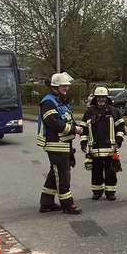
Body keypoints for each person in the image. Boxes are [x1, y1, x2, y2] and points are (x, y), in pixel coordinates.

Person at [36, 72, 83, 214]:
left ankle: (46, 203)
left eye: (67, 86)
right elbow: (53, 123)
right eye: (64, 86)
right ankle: (67, 205)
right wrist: (73, 129)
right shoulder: (48, 102)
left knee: (55, 173)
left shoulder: (60, 102)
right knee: (63, 175)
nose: (66, 88)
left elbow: (66, 119)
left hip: (63, 144)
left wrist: (77, 127)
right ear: (56, 86)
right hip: (55, 144)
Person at [79, 87, 127, 201]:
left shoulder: (114, 111)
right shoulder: (89, 112)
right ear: (95, 98)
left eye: (103, 97)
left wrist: (119, 140)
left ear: (106, 98)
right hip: (94, 149)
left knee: (111, 171)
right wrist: (83, 142)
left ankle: (110, 192)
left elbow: (120, 128)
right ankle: (97, 191)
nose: (101, 99)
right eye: (99, 97)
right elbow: (84, 128)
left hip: (110, 149)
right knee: (96, 172)